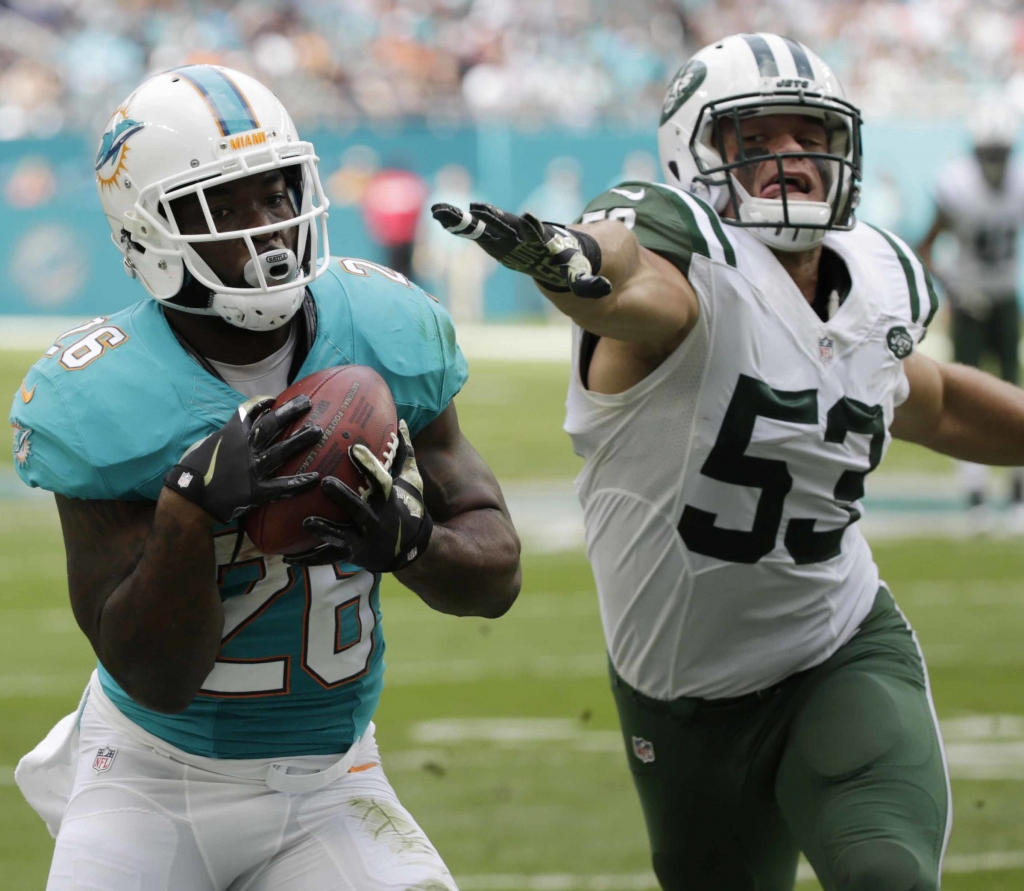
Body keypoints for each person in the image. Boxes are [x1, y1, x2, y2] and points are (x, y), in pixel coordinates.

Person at [433, 32, 1024, 891]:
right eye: (755, 140)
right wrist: (573, 261)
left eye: (807, 136)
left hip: (839, 646)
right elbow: (633, 281)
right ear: (697, 157)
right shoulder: (690, 275)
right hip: (680, 698)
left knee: (886, 874)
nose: (790, 158)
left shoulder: (876, 280)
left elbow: (933, 400)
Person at [11, 64, 521, 891]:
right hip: (151, 777)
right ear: (150, 231)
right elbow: (154, 674)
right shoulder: (100, 396)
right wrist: (190, 508)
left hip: (332, 777)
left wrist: (417, 542)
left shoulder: (382, 329)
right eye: (222, 207)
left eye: (278, 193)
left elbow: (496, 577)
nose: (269, 229)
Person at [917, 102, 1024, 522]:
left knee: (1012, 388)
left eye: (1001, 153)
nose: (996, 163)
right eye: (989, 153)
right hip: (970, 300)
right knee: (964, 394)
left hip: (1003, 296)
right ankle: (976, 493)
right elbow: (925, 247)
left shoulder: (1017, 182)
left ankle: (1017, 490)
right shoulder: (957, 186)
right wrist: (955, 288)